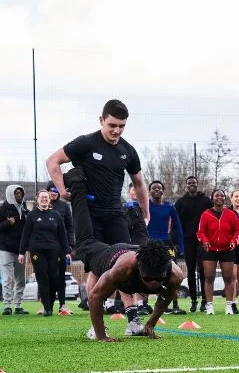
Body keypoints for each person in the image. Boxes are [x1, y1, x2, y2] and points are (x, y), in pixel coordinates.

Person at [67, 170, 182, 341]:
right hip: (109, 254)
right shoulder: (123, 268)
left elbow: (165, 298)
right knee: (84, 240)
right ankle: (77, 186)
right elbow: (95, 297)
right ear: (139, 268)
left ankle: (132, 209)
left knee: (145, 238)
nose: (152, 286)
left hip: (138, 247)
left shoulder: (174, 275)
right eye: (147, 279)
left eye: (157, 280)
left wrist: (150, 324)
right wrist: (101, 336)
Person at [46, 99, 148, 245]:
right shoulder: (86, 142)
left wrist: (146, 213)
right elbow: (52, 161)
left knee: (125, 258)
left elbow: (138, 184)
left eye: (122, 126)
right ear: (101, 120)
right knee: (95, 261)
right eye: (112, 125)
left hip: (115, 212)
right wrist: (62, 190)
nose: (117, 131)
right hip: (89, 212)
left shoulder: (128, 150)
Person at [18, 190, 69, 316]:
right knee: (43, 277)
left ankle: (50, 305)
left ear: (49, 200)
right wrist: (21, 252)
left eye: (46, 197)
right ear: (37, 199)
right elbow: (25, 234)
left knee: (54, 278)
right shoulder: (32, 215)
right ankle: (47, 308)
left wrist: (66, 251)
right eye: (42, 197)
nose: (44, 199)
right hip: (37, 250)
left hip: (53, 250)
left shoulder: (56, 215)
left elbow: (62, 235)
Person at [140, 180, 186, 314]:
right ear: (149, 191)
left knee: (173, 273)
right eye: (154, 188)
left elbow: (178, 228)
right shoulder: (145, 205)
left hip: (166, 243)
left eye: (159, 188)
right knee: (145, 271)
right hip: (149, 242)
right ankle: (144, 305)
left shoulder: (170, 206)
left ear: (163, 191)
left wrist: (181, 248)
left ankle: (175, 306)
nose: (157, 190)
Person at [195, 189, 239, 315]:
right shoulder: (206, 214)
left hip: (227, 249)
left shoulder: (231, 214)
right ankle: (209, 306)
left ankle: (229, 306)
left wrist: (234, 241)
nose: (219, 197)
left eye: (222, 195)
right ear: (212, 198)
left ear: (225, 198)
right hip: (210, 249)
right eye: (217, 195)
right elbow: (200, 232)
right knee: (209, 277)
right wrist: (204, 240)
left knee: (229, 278)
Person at [174, 176, 211, 313]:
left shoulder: (206, 201)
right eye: (189, 183)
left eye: (194, 183)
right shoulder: (181, 202)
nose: (191, 185)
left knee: (203, 270)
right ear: (186, 185)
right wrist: (177, 241)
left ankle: (205, 301)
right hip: (187, 240)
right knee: (190, 271)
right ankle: (194, 301)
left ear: (197, 184)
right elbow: (175, 223)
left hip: (203, 240)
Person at [46, 184, 76, 314]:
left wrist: (70, 245)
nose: (54, 193)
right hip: (46, 247)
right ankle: (47, 305)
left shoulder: (64, 206)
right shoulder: (42, 205)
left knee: (60, 277)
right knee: (46, 277)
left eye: (57, 190)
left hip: (61, 247)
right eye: (52, 190)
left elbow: (70, 227)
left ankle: (62, 305)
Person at [0, 184, 28, 315]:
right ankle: (7, 306)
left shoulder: (24, 207)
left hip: (21, 250)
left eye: (20, 193)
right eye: (16, 193)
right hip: (6, 249)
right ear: (11, 193)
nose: (19, 195)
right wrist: (8, 223)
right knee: (6, 279)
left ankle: (17, 306)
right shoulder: (3, 208)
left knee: (21, 279)